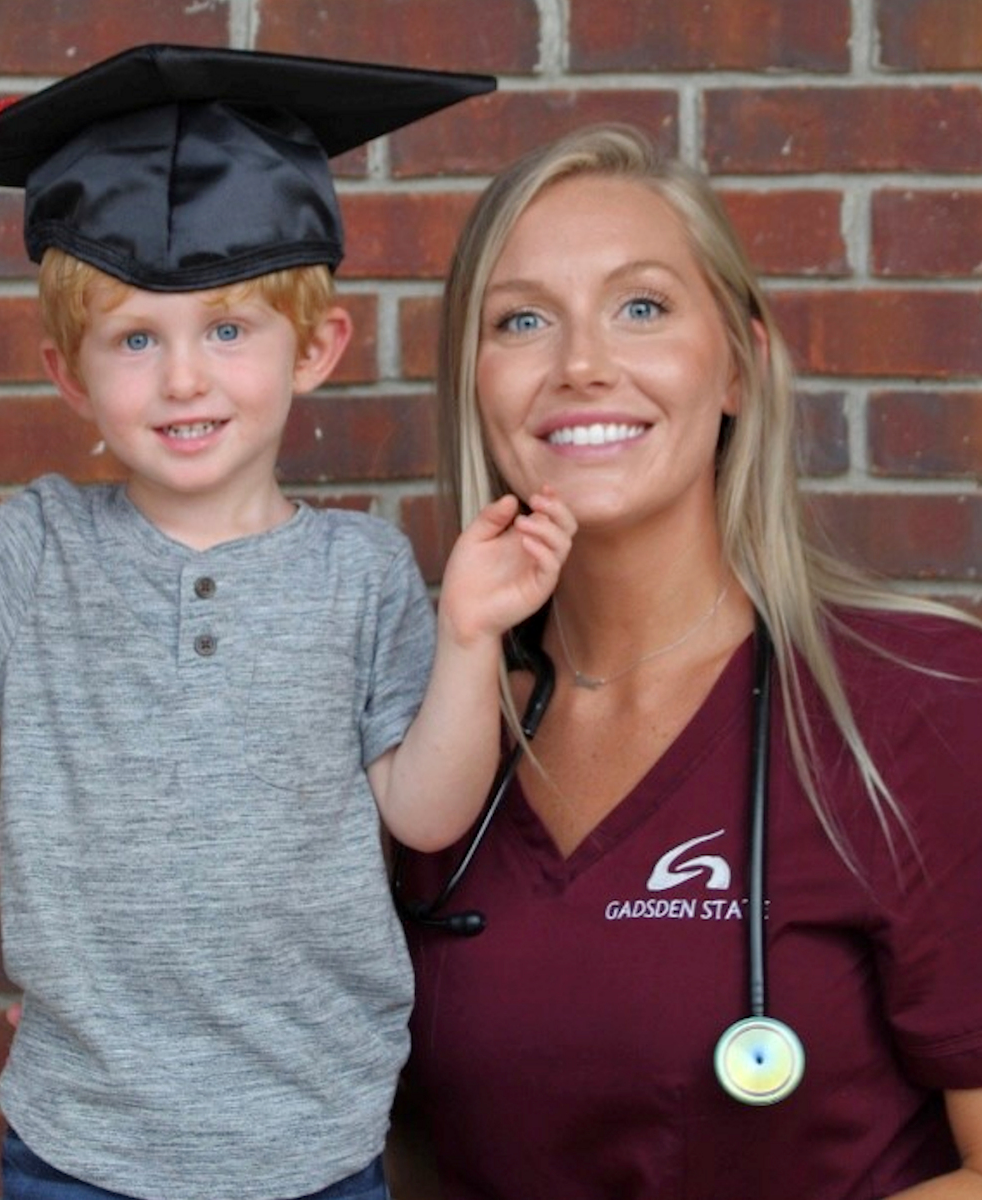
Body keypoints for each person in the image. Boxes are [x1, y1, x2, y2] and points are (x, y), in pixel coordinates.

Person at [0, 46, 577, 1200]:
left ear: (315, 349)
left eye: (228, 331)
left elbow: (425, 807)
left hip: (312, 1141)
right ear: (70, 376)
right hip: (82, 1149)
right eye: (135, 340)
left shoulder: (360, 573)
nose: (184, 380)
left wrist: (466, 638)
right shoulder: (40, 553)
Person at [388, 123, 982, 1199]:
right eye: (522, 319)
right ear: (473, 383)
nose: (580, 364)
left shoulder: (919, 705)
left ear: (740, 370)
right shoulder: (428, 744)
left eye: (643, 307)